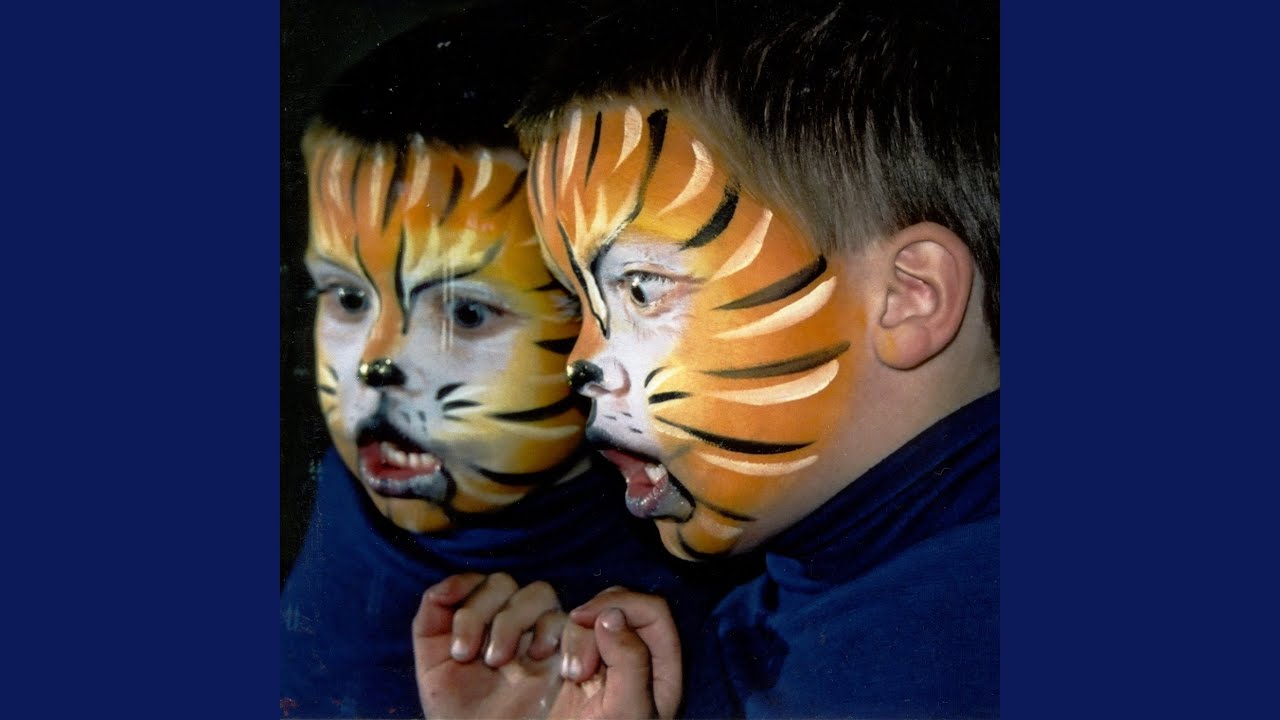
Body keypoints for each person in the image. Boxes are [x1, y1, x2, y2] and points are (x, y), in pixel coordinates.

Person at [415, 0, 1000, 716]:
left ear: (909, 297)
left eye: (641, 288)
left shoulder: (967, 646)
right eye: (580, 304)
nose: (582, 361)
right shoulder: (786, 619)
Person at [280, 3, 749, 717]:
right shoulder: (365, 493)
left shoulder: (699, 614)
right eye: (348, 298)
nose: (374, 365)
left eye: (467, 313)